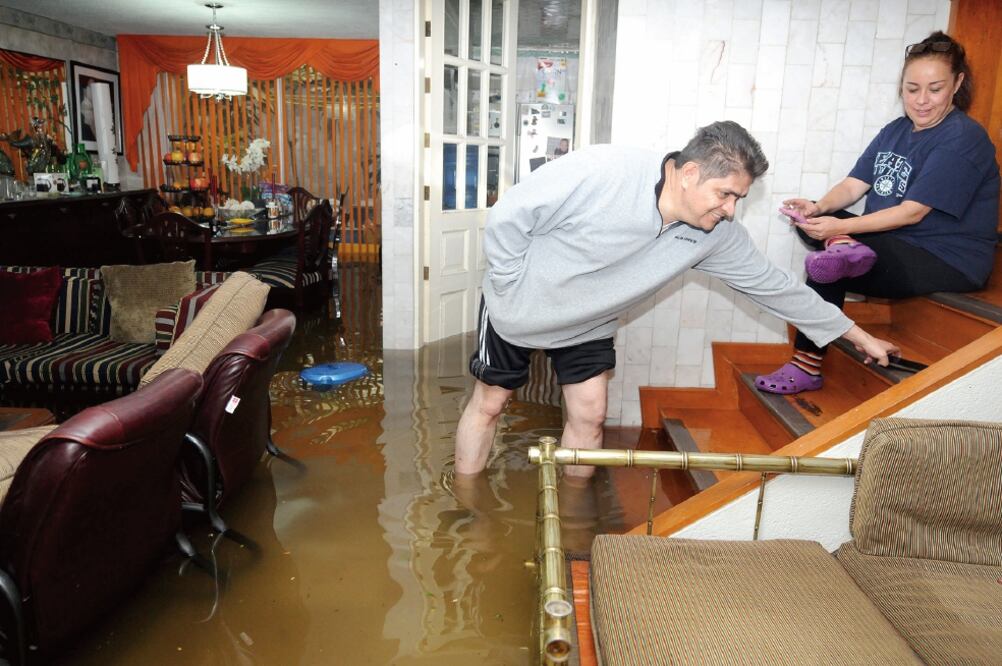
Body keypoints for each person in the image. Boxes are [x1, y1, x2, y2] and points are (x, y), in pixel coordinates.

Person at [454, 120, 899, 477]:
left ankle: (571, 523)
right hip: (521, 304)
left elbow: (772, 285)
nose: (730, 209)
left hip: (590, 319)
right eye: (725, 194)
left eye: (739, 198)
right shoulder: (606, 171)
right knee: (490, 403)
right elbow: (510, 216)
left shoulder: (714, 234)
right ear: (689, 174)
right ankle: (466, 505)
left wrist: (853, 332)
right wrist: (509, 286)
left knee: (590, 416)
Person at [756, 31, 1000, 395]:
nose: (921, 100)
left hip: (945, 257)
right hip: (891, 242)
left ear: (957, 84)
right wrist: (819, 207)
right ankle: (843, 245)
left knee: (828, 265)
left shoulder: (963, 137)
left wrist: (841, 226)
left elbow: (912, 213)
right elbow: (854, 185)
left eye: (934, 89)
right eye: (911, 88)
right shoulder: (895, 130)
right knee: (813, 226)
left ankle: (806, 365)